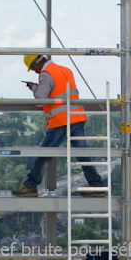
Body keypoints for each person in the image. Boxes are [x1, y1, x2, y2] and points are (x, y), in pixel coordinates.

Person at [12, 54, 105, 198]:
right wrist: (38, 87)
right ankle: (96, 186)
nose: (34, 71)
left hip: (61, 120)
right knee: (83, 154)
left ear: (37, 62)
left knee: (44, 155)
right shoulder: (65, 70)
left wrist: (34, 89)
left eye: (32, 67)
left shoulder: (45, 74)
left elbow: (41, 98)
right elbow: (59, 90)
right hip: (77, 117)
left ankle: (30, 186)